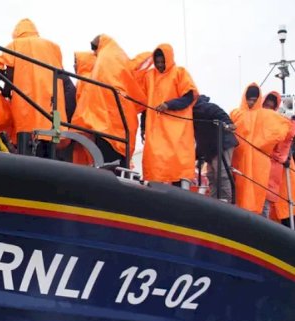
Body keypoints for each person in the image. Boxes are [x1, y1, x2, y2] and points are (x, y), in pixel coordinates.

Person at [71, 34, 147, 167]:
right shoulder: (117, 56)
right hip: (119, 119)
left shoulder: (103, 61)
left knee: (106, 160)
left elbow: (90, 99)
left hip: (105, 122)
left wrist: (81, 123)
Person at [0, 18, 66, 155]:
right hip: (52, 104)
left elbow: (10, 74)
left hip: (27, 102)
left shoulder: (14, 45)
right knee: (50, 141)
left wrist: (5, 92)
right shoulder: (54, 47)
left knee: (28, 141)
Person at [142, 43, 198, 185]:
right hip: (155, 131)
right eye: (157, 62)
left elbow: (189, 97)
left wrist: (168, 105)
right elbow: (144, 103)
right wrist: (143, 127)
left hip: (177, 132)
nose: (160, 65)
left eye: (163, 62)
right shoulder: (149, 77)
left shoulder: (180, 73)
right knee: (155, 167)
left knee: (177, 168)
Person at [230, 83, 291, 214]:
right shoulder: (235, 113)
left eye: (254, 99)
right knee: (239, 196)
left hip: (259, 165)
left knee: (260, 198)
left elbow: (288, 128)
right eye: (249, 98)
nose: (251, 102)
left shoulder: (267, 115)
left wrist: (279, 154)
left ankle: (262, 231)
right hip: (239, 163)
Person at [191, 95, 239, 202]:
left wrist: (229, 123)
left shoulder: (204, 107)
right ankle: (214, 201)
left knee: (222, 174)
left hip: (223, 144)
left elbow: (219, 113)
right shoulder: (191, 113)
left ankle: (227, 201)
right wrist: (196, 155)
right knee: (211, 175)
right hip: (210, 148)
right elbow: (200, 136)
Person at [262, 91, 295, 219]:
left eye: (271, 107)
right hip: (266, 169)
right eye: (266, 106)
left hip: (279, 171)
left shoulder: (283, 124)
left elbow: (284, 145)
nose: (268, 110)